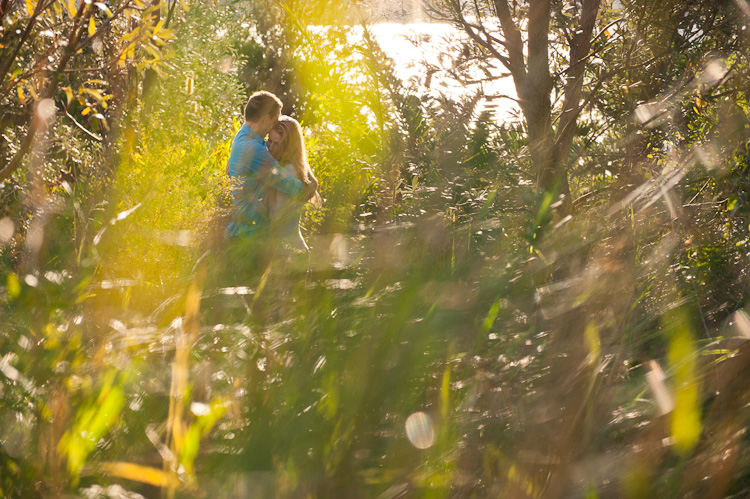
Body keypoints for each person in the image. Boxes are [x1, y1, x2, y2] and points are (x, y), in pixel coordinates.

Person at [225, 91, 317, 239]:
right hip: (250, 237)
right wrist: (312, 185)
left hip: (242, 231)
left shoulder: (243, 137)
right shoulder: (253, 149)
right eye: (274, 122)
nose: (273, 127)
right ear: (266, 118)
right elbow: (293, 187)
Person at [265, 116, 322, 254]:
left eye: (276, 144)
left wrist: (271, 186)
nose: (270, 147)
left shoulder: (289, 171)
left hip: (290, 253)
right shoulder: (282, 167)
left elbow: (276, 216)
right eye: (269, 141)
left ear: (288, 147)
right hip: (287, 251)